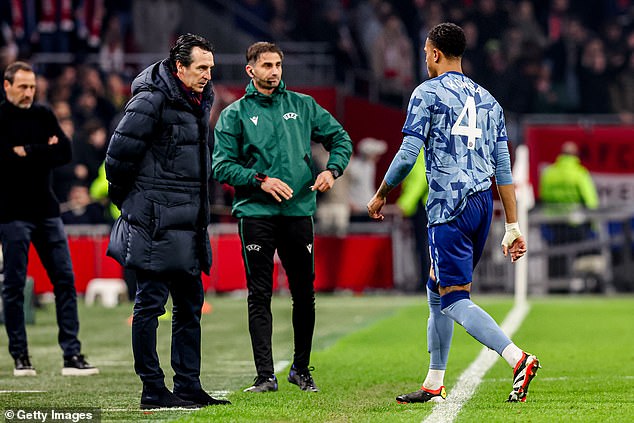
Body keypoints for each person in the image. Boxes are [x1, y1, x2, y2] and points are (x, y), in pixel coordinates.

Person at [367, 23, 539, 403]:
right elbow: (505, 172)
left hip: (449, 207)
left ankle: (517, 358)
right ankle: (434, 380)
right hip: (481, 207)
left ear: (433, 53)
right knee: (436, 287)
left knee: (454, 298)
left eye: (425, 52)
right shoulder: (489, 101)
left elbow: (408, 154)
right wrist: (512, 225)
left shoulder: (426, 94)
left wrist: (381, 194)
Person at [212, 41, 353, 393]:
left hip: (298, 211)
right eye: (267, 66)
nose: (274, 71)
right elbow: (221, 165)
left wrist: (331, 171)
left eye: (278, 65)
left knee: (304, 293)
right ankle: (265, 376)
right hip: (256, 212)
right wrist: (260, 180)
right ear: (251, 70)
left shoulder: (303, 106)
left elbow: (340, 139)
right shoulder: (235, 114)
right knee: (259, 294)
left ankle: (301, 370)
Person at [105, 33, 229, 409]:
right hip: (155, 222)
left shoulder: (196, 99)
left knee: (190, 305)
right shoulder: (150, 99)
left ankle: (188, 385)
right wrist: (136, 204)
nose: (208, 74)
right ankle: (152, 389)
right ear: (179, 67)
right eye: (201, 67)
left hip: (188, 225)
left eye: (210, 67)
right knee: (150, 304)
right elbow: (117, 156)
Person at [0, 61, 99, 377]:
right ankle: (21, 356)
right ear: (7, 85)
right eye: (23, 87)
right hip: (11, 213)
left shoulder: (43, 114)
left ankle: (72, 354)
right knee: (14, 285)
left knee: (65, 281)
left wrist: (26, 151)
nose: (29, 93)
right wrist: (43, 150)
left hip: (47, 211)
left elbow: (65, 152)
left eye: (32, 87)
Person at [539, 141, 599, 279]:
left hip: (555, 224)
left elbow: (544, 196)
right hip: (576, 224)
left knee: (556, 256)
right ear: (576, 155)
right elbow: (591, 201)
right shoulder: (579, 173)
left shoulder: (549, 173)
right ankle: (579, 284)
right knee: (580, 255)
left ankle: (556, 285)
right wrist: (594, 224)